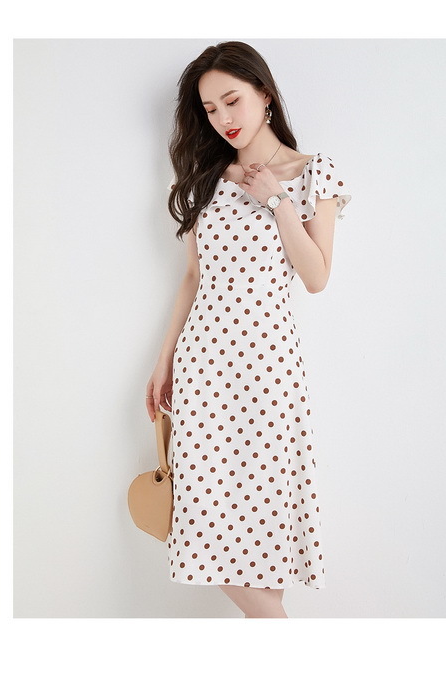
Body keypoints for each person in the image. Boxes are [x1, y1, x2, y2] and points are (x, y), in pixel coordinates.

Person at [145, 41, 351, 618]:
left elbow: (316, 277)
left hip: (268, 370)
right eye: (210, 109)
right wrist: (163, 362)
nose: (223, 119)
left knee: (264, 536)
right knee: (203, 517)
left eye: (232, 100)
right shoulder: (204, 179)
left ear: (264, 93)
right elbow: (193, 278)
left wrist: (278, 200)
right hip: (204, 368)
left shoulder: (313, 172)